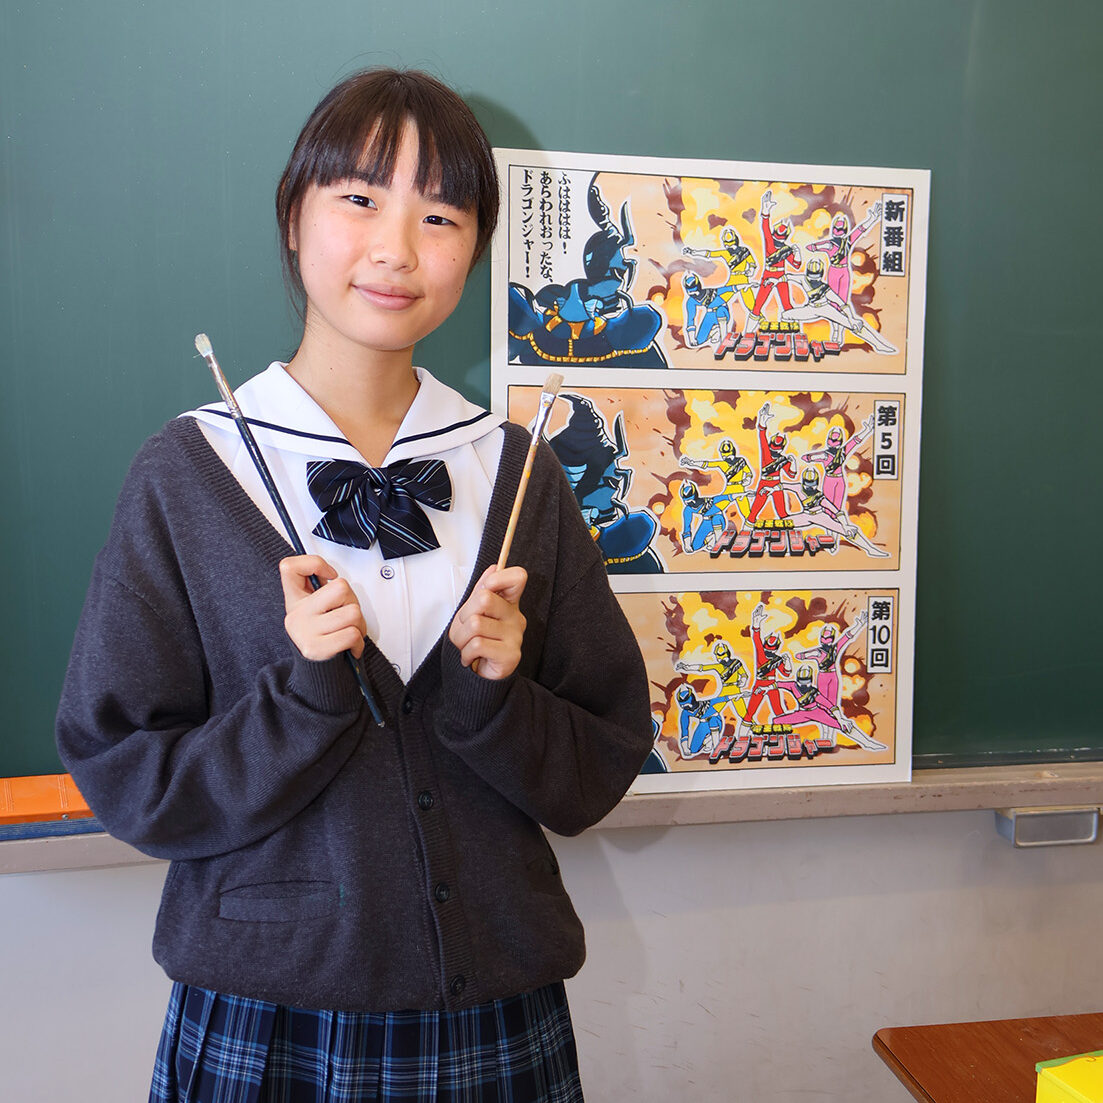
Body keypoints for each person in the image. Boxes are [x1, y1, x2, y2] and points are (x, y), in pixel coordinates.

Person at [56, 68, 652, 1103]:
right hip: (265, 1010)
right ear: (295, 217)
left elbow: (595, 765)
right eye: (360, 199)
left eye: (440, 215)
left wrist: (497, 695)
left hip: (493, 1003)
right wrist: (300, 695)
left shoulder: (512, 470)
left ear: (474, 249)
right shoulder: (190, 471)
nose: (396, 248)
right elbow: (129, 773)